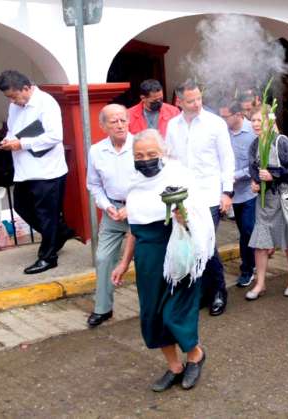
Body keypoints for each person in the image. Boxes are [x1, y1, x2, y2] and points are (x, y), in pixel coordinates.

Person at [110, 129, 213, 392]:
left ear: (163, 153)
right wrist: (124, 263)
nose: (145, 160)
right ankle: (174, 367)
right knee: (153, 316)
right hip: (147, 261)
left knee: (174, 314)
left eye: (151, 154)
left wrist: (185, 218)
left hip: (178, 256)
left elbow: (199, 218)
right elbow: (134, 229)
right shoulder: (133, 185)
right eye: (139, 155)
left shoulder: (179, 177)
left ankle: (195, 355)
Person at [165, 79, 235, 317]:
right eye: (190, 100)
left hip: (210, 194)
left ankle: (218, 291)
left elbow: (227, 159)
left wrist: (227, 192)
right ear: (179, 101)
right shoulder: (173, 125)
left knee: (206, 244)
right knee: (193, 244)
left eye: (198, 99)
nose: (196, 104)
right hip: (184, 196)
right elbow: (170, 159)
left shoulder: (215, 124)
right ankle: (203, 292)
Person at [0, 70, 74, 275]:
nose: (13, 101)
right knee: (21, 206)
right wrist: (8, 139)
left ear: (26, 88)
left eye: (14, 96)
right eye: (9, 98)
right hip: (24, 169)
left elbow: (55, 136)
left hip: (47, 170)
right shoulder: (14, 106)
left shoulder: (46, 103)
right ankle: (60, 232)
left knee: (46, 215)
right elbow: (12, 129)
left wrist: (21, 143)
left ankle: (48, 257)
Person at [244, 107, 288, 301]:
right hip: (264, 202)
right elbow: (253, 170)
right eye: (253, 121)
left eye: (259, 120)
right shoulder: (254, 145)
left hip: (284, 199)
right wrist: (255, 182)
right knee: (260, 243)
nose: (256, 124)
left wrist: (275, 174)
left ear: (270, 121)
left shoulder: (282, 142)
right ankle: (260, 283)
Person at [85, 104, 135, 328]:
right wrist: (106, 206)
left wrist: (133, 206)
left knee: (145, 260)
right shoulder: (96, 151)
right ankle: (103, 308)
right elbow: (94, 185)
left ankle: (154, 307)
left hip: (140, 209)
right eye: (114, 121)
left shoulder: (140, 144)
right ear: (103, 126)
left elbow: (152, 182)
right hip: (113, 210)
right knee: (104, 258)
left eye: (123, 120)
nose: (120, 125)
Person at [219, 101, 257, 288]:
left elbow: (256, 163)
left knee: (248, 230)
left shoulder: (252, 131)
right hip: (227, 193)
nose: (223, 120)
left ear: (238, 115)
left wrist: (235, 176)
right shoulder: (221, 133)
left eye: (226, 116)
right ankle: (253, 261)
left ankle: (248, 269)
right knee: (243, 231)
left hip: (249, 191)